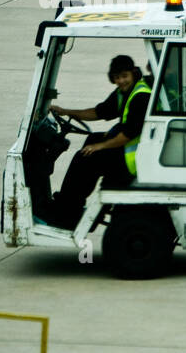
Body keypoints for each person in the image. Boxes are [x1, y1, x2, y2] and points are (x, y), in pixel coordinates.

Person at [45, 55, 151, 228]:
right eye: (117, 77)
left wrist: (99, 146)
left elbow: (128, 135)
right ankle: (69, 204)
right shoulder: (124, 92)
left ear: (133, 73)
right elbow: (98, 112)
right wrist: (66, 111)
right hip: (134, 148)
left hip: (134, 157)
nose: (121, 81)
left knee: (86, 157)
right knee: (92, 140)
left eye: (124, 76)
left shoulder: (141, 96)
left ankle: (66, 211)